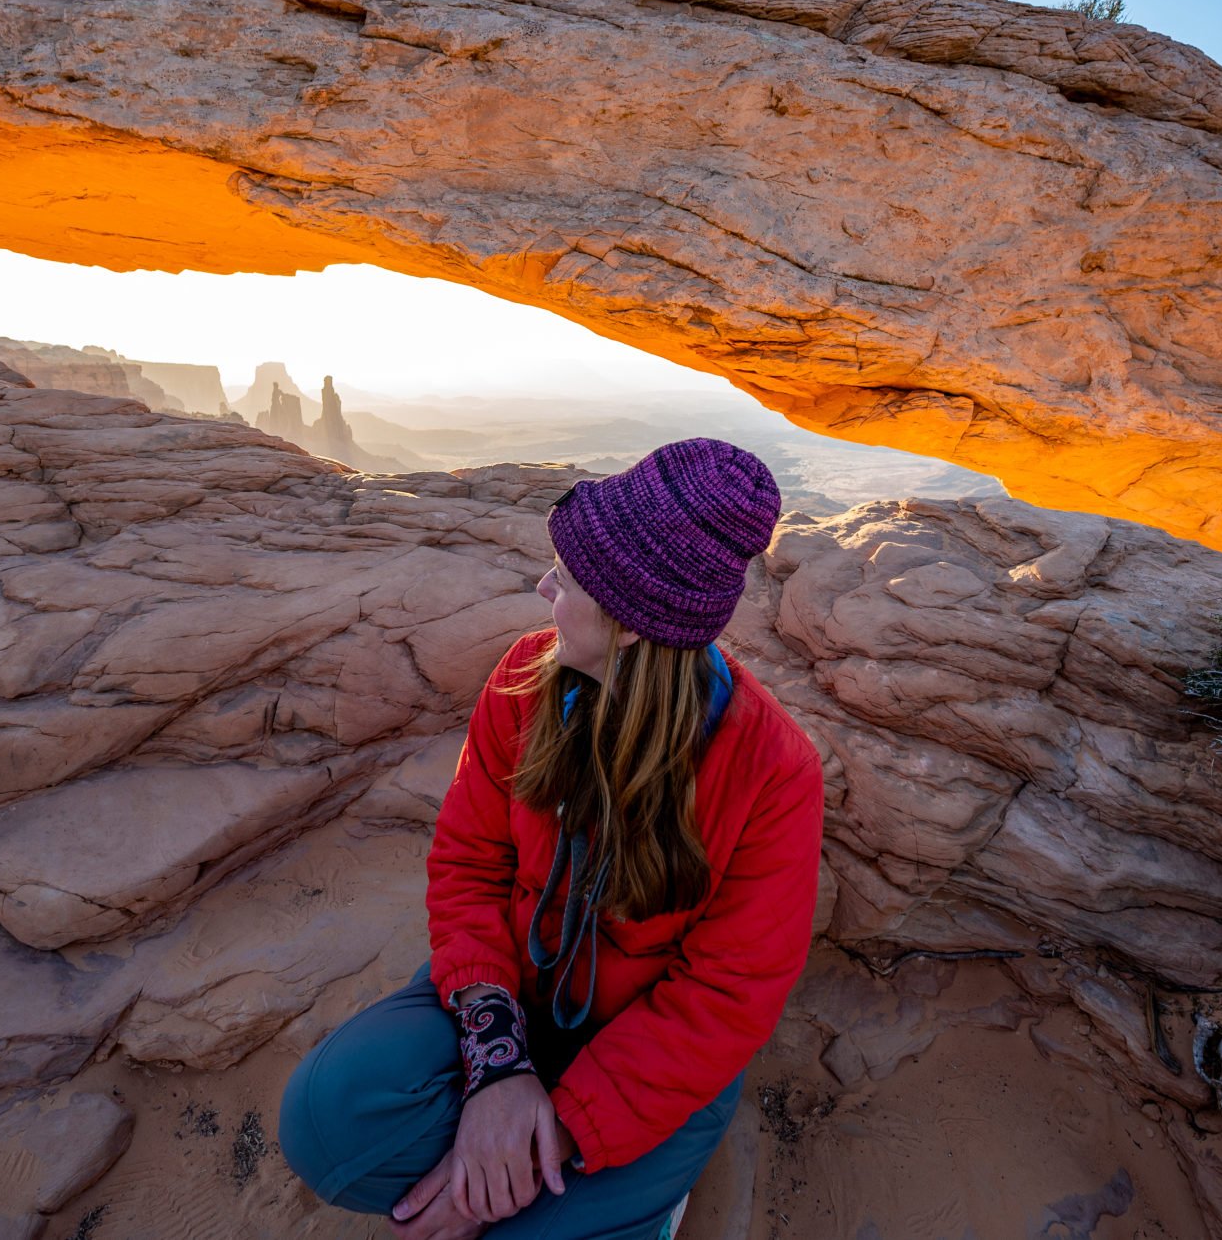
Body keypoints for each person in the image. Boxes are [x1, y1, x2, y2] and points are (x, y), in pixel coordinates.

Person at [278, 437, 825, 1240]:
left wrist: (536, 1145)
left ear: (633, 625)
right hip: (519, 1001)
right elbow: (468, 865)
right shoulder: (523, 681)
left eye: (565, 580)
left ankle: (638, 1193)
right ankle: (584, 1188)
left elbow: (724, 996)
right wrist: (498, 1065)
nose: (544, 588)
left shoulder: (774, 771)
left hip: (652, 1050)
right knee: (324, 1124)